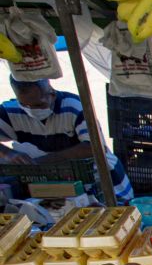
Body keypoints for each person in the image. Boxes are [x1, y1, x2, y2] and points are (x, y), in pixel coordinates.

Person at [0, 77, 134, 203]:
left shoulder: (74, 106)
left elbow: (94, 148)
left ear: (50, 92)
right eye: (26, 105)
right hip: (57, 185)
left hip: (105, 183)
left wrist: (43, 161)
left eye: (39, 104)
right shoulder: (11, 111)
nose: (34, 110)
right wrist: (8, 153)